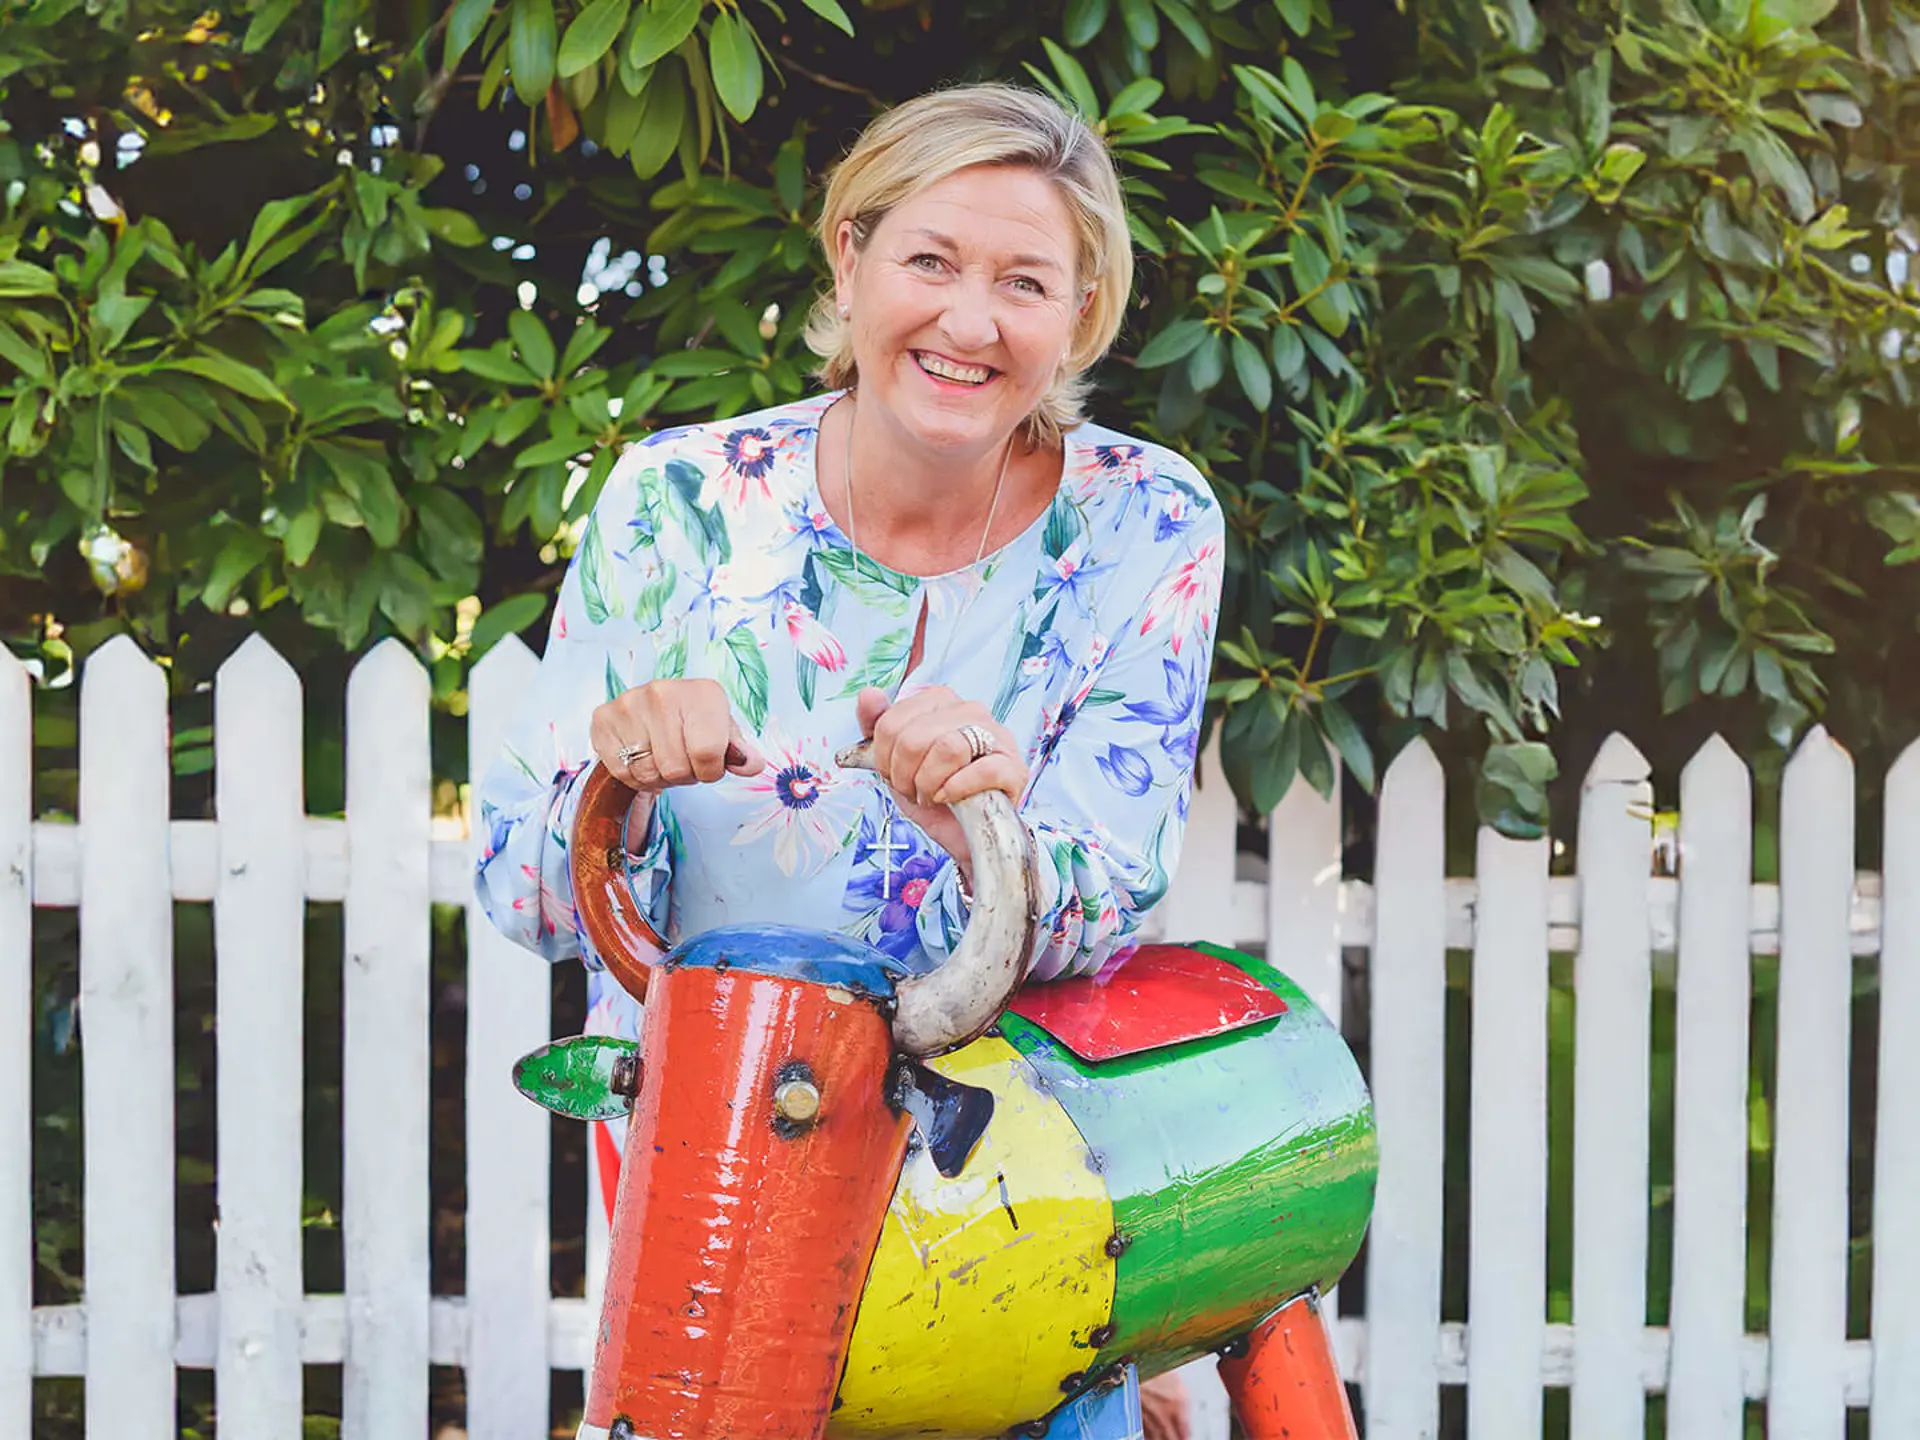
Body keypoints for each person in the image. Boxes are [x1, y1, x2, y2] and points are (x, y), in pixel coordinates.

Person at [475, 82, 1221, 1440]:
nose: (969, 321)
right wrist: (618, 790)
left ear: (1081, 314)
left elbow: (1112, 898)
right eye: (930, 259)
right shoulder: (679, 503)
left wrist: (976, 826)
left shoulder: (1147, 523)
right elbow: (523, 891)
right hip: (716, 1204)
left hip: (1019, 1220)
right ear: (849, 257)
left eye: (1024, 282)